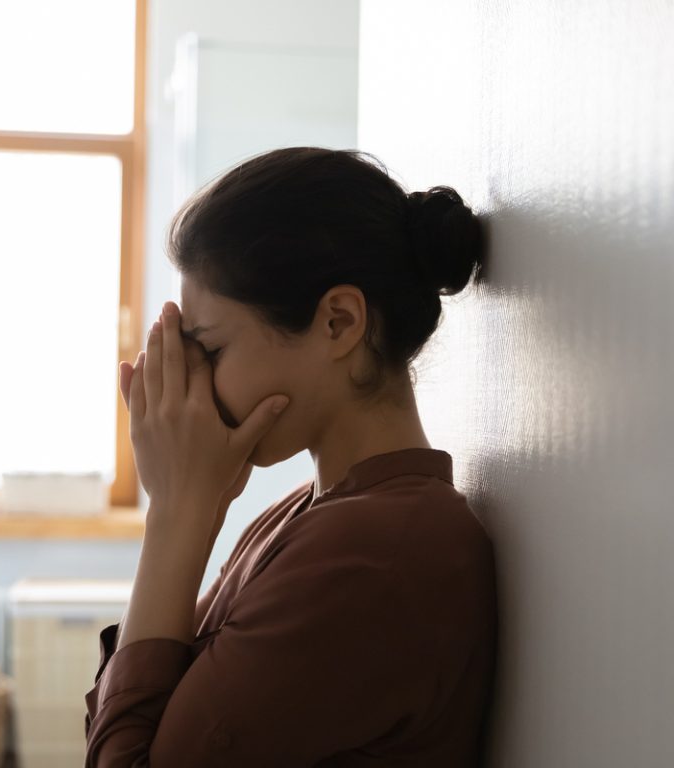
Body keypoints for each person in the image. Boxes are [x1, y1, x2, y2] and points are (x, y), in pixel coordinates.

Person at [84, 146, 497, 766]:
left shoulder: (375, 554)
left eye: (212, 351)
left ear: (338, 323)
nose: (195, 386)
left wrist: (177, 515)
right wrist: (186, 509)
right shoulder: (308, 514)